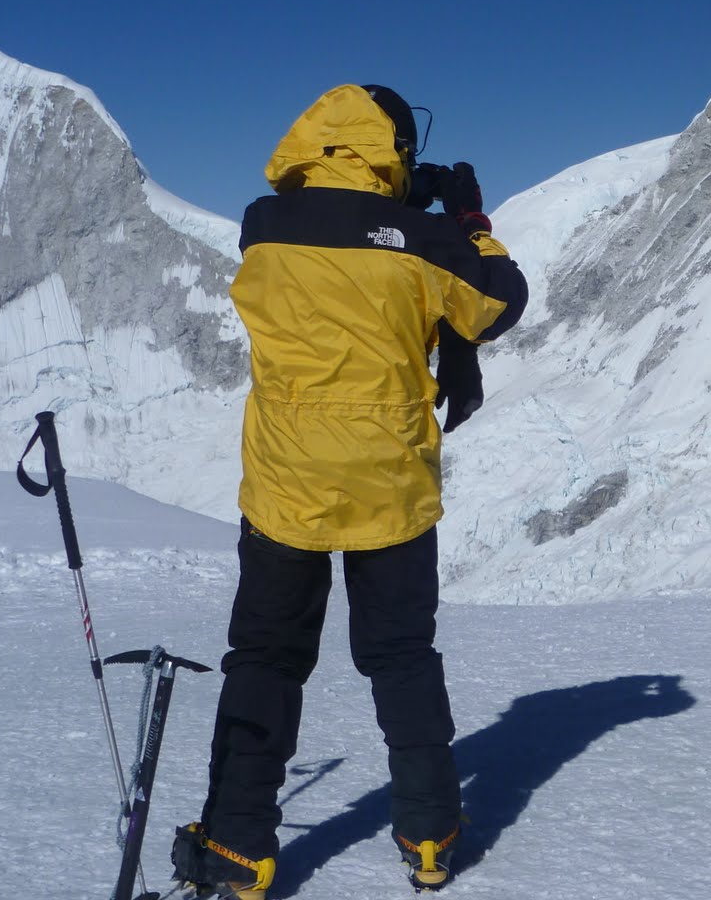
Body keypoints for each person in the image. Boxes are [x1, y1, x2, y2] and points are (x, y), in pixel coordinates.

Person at [171, 83, 527, 897]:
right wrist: (468, 220)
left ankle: (237, 848)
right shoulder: (429, 241)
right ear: (397, 150)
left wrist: (408, 212)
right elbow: (497, 303)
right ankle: (430, 838)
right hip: (389, 484)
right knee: (401, 657)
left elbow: (342, 245)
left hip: (284, 481)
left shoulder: (263, 229)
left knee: (264, 657)